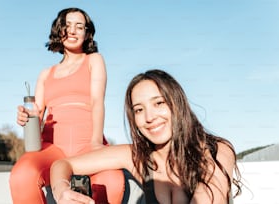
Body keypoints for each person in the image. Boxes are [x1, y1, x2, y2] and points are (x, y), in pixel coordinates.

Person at [50, 69, 242, 204]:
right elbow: (63, 164)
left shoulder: (217, 149)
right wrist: (62, 191)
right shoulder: (137, 157)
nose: (150, 117)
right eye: (139, 110)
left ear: (178, 104)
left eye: (159, 103)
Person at [9, 8, 124, 204]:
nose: (72, 31)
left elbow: (97, 102)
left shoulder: (94, 60)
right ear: (58, 31)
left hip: (88, 142)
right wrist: (28, 119)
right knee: (21, 175)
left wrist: (96, 143)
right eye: (67, 26)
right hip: (52, 148)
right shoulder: (46, 73)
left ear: (87, 33)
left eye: (79, 26)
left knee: (112, 181)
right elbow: (37, 117)